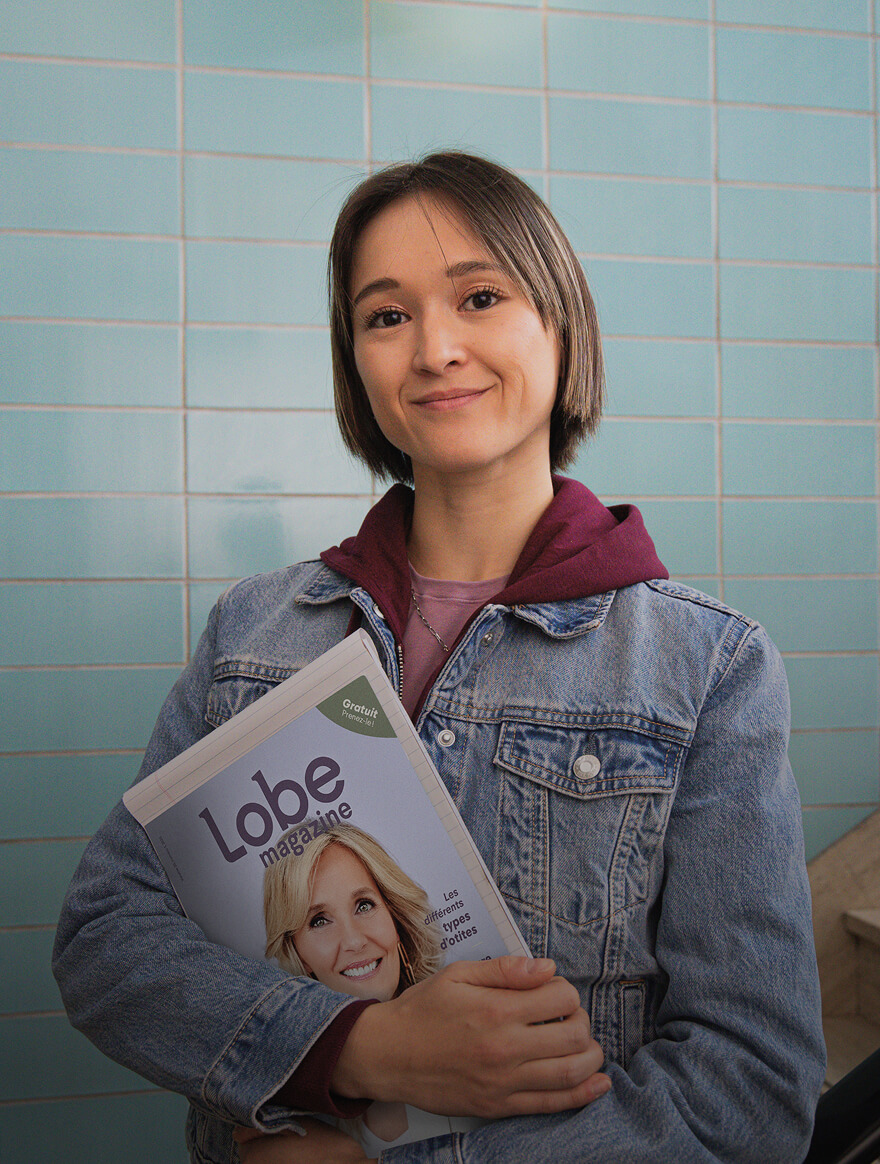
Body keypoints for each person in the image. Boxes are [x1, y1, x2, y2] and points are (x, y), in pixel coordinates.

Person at [53, 150, 825, 1164]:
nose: (434, 348)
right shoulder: (254, 629)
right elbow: (107, 936)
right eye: (386, 315)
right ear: (355, 362)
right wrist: (357, 1049)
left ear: (559, 325)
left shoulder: (707, 666)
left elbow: (749, 1091)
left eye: (479, 295)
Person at [260, 823, 480, 1153]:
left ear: (394, 915)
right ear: (299, 955)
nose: (353, 941)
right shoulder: (288, 1114)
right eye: (319, 920)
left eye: (364, 905)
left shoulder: (474, 1024)